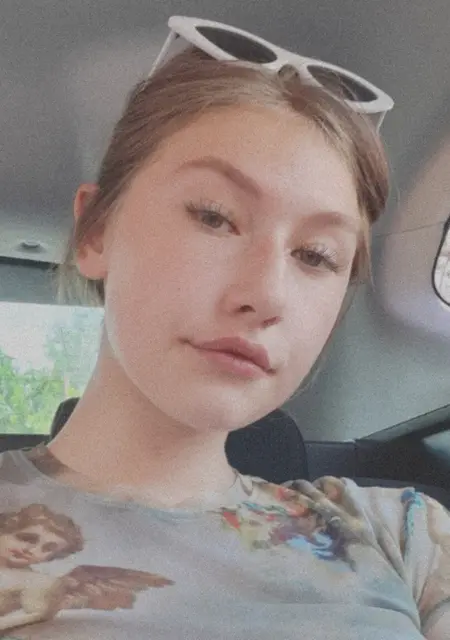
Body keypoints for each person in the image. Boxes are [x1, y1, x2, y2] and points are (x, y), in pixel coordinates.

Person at [1, 15, 448, 640]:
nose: (266, 295)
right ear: (96, 232)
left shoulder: (403, 535)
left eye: (316, 256)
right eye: (214, 217)